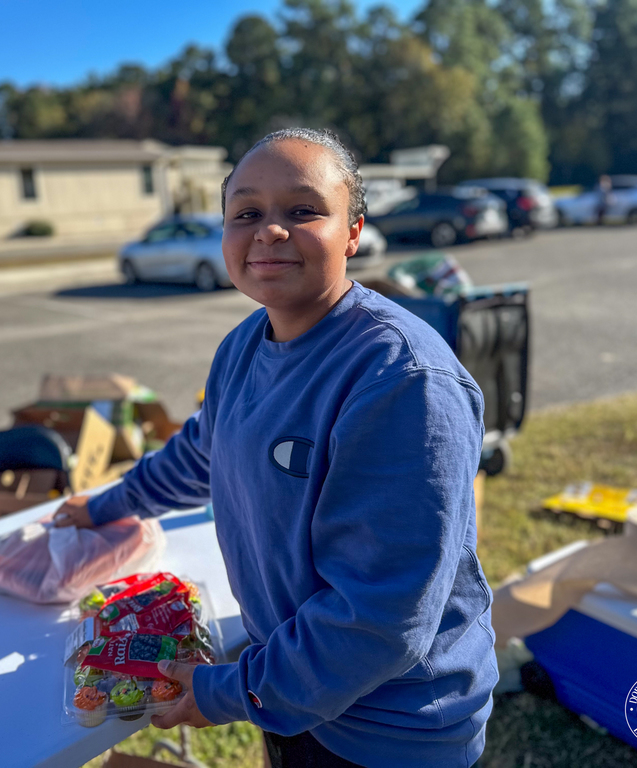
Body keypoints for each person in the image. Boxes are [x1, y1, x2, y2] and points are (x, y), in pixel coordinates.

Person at [54, 127, 498, 768]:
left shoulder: (401, 382)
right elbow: (202, 451)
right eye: (247, 213)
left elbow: (378, 617)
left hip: (390, 730)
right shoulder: (242, 346)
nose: (269, 231)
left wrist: (231, 691)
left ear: (352, 231)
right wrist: (104, 506)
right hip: (294, 689)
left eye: (303, 210)